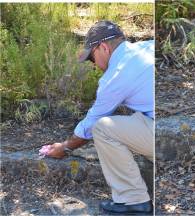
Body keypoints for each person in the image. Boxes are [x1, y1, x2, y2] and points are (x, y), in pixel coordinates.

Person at [46, 20, 154, 215]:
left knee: (102, 127)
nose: (94, 65)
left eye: (92, 58)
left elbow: (92, 122)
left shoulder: (115, 76)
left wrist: (64, 148)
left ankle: (133, 201)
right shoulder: (149, 46)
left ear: (103, 47)